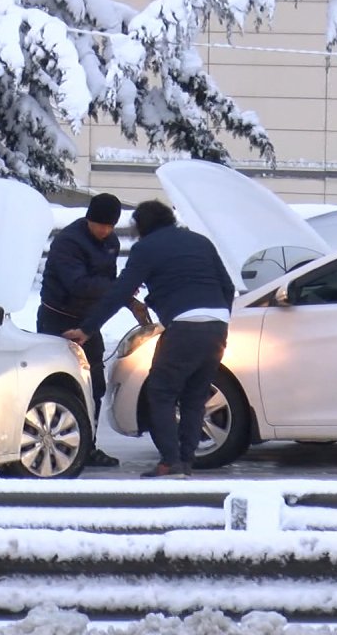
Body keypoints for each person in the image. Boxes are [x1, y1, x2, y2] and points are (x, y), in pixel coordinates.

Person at [63, 200, 235, 479]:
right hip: (217, 325)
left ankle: (170, 461)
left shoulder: (146, 248)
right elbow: (227, 286)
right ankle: (186, 461)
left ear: (142, 226)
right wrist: (219, 318)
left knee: (160, 391)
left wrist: (88, 328)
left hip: (184, 326)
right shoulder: (200, 242)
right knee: (195, 395)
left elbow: (119, 292)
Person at [38, 192, 146, 468]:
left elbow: (108, 284)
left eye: (110, 226)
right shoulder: (68, 243)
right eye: (100, 225)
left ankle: (87, 446)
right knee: (58, 383)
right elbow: (78, 284)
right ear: (89, 219)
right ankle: (52, 442)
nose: (105, 231)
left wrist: (127, 298)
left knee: (93, 385)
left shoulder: (110, 242)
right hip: (58, 321)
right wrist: (120, 289)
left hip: (88, 322)